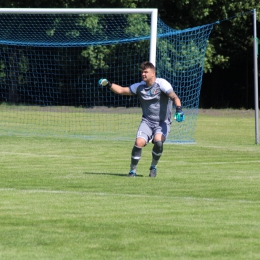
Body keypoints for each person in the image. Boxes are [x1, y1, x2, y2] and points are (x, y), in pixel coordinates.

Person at [99, 61, 184, 177]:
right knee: (138, 142)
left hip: (163, 122)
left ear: (153, 73)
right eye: (142, 72)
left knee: (158, 142)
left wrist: (179, 109)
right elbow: (122, 90)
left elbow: (174, 97)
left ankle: (153, 167)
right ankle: (132, 170)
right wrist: (108, 84)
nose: (143, 74)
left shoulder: (162, 84)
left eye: (146, 72)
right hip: (147, 122)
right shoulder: (140, 87)